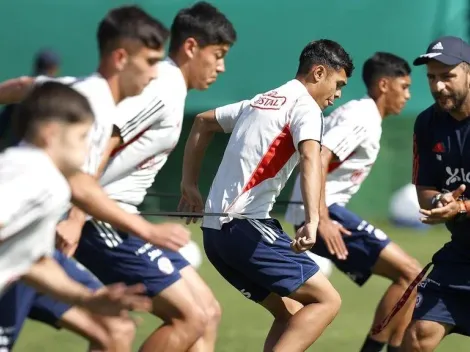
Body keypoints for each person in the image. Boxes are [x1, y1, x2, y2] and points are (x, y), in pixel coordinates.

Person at [0, 6, 189, 352]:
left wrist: (88, 298)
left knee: (114, 329)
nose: (154, 73)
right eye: (149, 61)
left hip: (28, 256)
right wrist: (145, 229)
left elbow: (25, 86)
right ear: (120, 58)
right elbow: (82, 184)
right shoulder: (38, 169)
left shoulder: (77, 94)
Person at [71, 3, 237, 351]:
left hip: (119, 218)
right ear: (191, 47)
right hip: (99, 219)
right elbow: (107, 138)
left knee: (208, 312)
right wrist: (75, 215)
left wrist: (188, 185)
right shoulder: (162, 84)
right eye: (218, 55)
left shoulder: (169, 87)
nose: (221, 67)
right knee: (190, 316)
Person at [179, 39, 354, 351]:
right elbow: (312, 158)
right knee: (327, 300)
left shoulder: (261, 101)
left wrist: (189, 185)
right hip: (244, 227)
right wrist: (313, 221)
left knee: (292, 314)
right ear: (317, 73)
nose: (338, 95)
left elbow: (201, 122)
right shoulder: (306, 108)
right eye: (338, 84)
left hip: (215, 237)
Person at [284, 52, 422, 352]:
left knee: (412, 278)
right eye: (405, 86)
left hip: (318, 210)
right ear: (384, 85)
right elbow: (318, 158)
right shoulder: (362, 116)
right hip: (321, 212)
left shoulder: (364, 114)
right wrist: (322, 219)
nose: (408, 95)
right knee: (411, 274)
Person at [0, 82, 151, 351]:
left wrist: (87, 299)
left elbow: (33, 263)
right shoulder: (31, 173)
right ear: (51, 134)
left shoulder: (53, 183)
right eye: (83, 137)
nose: (89, 148)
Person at [401, 35, 470, 352]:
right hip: (461, 252)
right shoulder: (427, 123)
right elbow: (426, 187)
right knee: (418, 336)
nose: (439, 86)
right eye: (431, 77)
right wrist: (439, 203)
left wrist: (461, 207)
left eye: (447, 76)